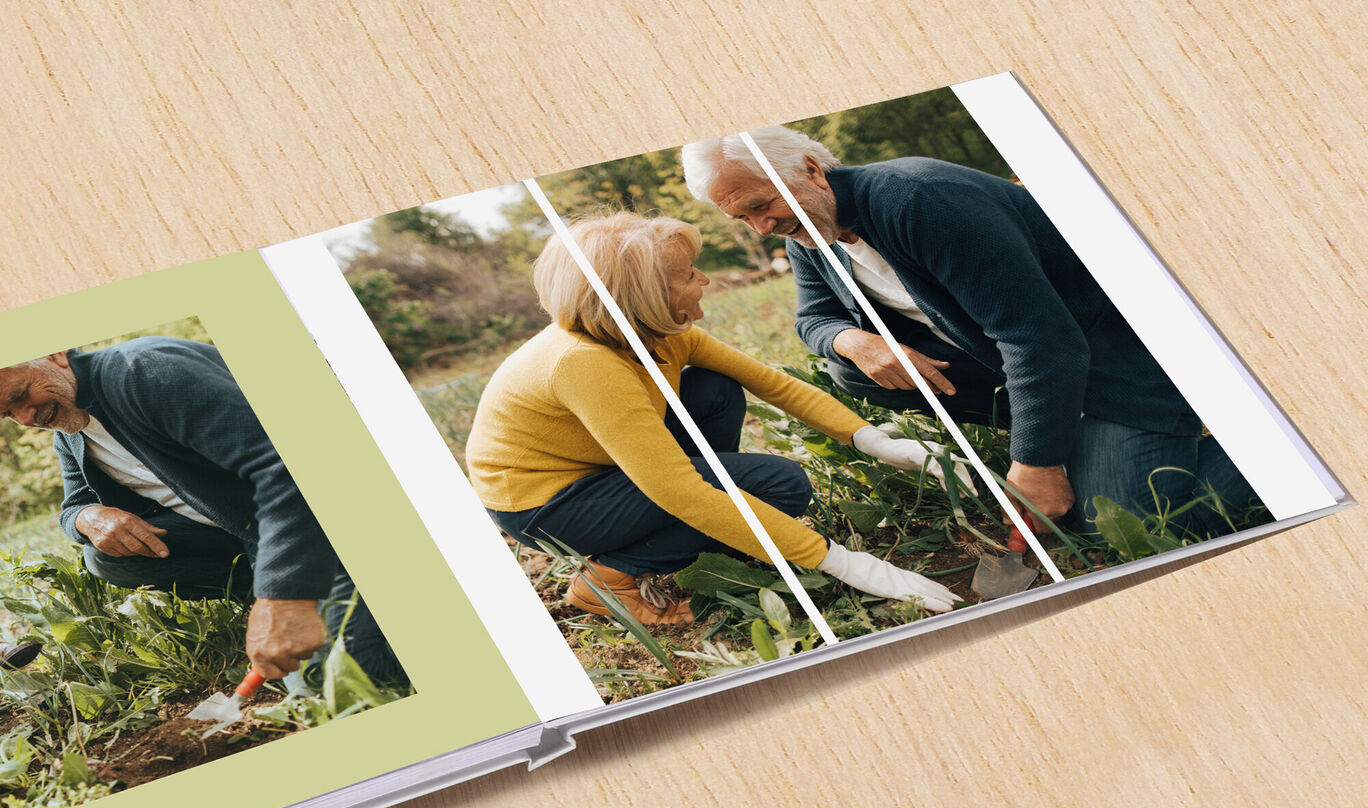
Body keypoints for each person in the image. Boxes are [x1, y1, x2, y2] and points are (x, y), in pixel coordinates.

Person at [681, 127, 1256, 537]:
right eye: (742, 218)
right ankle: (1066, 431)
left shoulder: (918, 200)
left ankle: (1265, 436)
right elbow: (812, 320)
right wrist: (851, 339)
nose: (761, 226)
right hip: (1031, 367)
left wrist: (1037, 464)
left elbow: (1040, 341)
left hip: (1115, 359)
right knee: (845, 368)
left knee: (1126, 528)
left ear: (811, 169)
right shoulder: (810, 232)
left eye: (762, 205)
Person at [465, 211, 962, 626]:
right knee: (779, 486)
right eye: (688, 275)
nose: (704, 280)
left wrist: (877, 441)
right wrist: (845, 562)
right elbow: (678, 489)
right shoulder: (584, 363)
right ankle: (609, 578)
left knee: (714, 390)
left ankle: (725, 525)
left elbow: (775, 384)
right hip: (548, 503)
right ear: (643, 298)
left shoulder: (662, 334)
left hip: (603, 465)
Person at [0, 338, 404, 684]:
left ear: (53, 353)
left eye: (19, 397)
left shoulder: (142, 373)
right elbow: (73, 505)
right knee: (102, 556)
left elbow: (292, 468)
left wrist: (284, 597)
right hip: (249, 535)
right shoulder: (72, 431)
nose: (25, 418)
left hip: (322, 523)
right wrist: (88, 517)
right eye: (7, 414)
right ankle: (268, 594)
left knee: (335, 682)